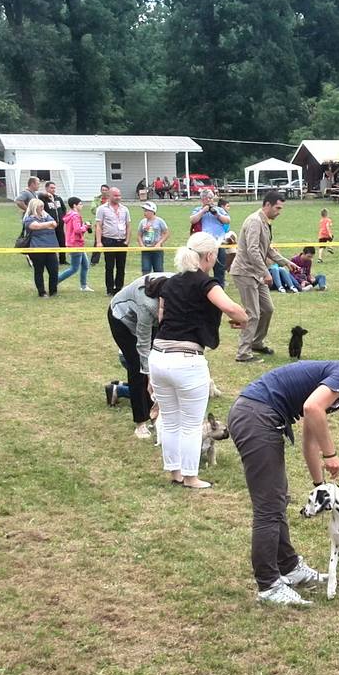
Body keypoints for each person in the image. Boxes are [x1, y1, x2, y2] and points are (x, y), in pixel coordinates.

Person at [231, 353, 339, 605]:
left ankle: (289, 567)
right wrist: (331, 455)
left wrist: (319, 484)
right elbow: (312, 408)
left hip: (257, 416)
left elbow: (309, 437)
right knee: (269, 507)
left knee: (277, 500)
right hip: (256, 417)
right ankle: (269, 586)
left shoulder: (337, 386)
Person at [148, 233, 248, 489]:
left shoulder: (170, 282)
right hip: (187, 360)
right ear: (210, 256)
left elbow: (162, 317)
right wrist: (243, 319)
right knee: (191, 425)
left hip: (158, 356)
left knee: (170, 420)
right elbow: (232, 309)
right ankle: (191, 477)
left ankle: (175, 473)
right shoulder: (206, 283)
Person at [229, 189, 292, 363]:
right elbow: (253, 250)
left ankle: (256, 343)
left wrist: (285, 262)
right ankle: (243, 353)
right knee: (253, 313)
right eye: (277, 208)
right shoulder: (254, 221)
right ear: (267, 205)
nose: (279, 212)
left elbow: (267, 248)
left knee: (267, 309)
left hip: (256, 273)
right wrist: (265, 272)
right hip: (245, 272)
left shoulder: (265, 222)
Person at [108, 272, 168, 440]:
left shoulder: (178, 285)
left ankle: (154, 412)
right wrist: (149, 374)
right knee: (137, 368)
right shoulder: (147, 305)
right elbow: (143, 345)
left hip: (148, 319)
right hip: (122, 319)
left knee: (158, 362)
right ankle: (140, 423)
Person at [189, 189, 230, 286]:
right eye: (206, 198)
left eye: (211, 198)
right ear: (202, 199)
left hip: (218, 242)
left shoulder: (219, 210)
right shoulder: (197, 210)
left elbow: (227, 220)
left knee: (220, 268)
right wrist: (203, 211)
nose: (209, 200)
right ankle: (202, 287)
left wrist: (217, 215)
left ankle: (219, 288)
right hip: (203, 243)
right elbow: (192, 220)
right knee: (202, 268)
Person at [22, 198, 60, 297]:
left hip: (50, 247)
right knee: (39, 271)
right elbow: (36, 226)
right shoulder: (29, 219)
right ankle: (42, 292)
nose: (43, 208)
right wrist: (48, 224)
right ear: (35, 208)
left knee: (54, 270)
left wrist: (45, 224)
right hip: (37, 248)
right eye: (41, 206)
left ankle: (53, 291)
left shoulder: (46, 216)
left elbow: (54, 224)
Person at [96, 187, 131, 294]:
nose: (118, 197)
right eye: (115, 195)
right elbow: (98, 226)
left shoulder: (124, 209)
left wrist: (127, 240)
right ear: (109, 196)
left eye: (119, 195)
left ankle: (119, 288)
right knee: (109, 266)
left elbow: (128, 225)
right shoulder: (102, 209)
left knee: (121, 266)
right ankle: (110, 289)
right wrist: (99, 242)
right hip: (108, 240)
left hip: (122, 241)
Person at [56, 197, 93, 292]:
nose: (82, 205)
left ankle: (83, 286)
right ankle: (54, 281)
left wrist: (83, 226)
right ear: (74, 205)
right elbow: (77, 230)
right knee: (74, 268)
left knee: (85, 265)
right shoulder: (75, 216)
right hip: (75, 244)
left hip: (75, 243)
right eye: (80, 204)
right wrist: (86, 227)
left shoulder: (70, 214)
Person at [138, 202, 170, 274]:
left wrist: (159, 243)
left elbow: (166, 233)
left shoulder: (160, 221)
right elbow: (139, 235)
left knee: (158, 270)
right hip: (146, 249)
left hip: (157, 250)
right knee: (145, 269)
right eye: (144, 211)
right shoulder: (142, 222)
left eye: (147, 211)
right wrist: (142, 245)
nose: (145, 213)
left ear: (152, 211)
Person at [43, 181, 67, 250]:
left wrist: (62, 219)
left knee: (62, 242)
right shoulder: (43, 199)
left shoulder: (58, 198)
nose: (53, 190)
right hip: (49, 225)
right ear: (46, 188)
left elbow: (64, 209)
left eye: (54, 188)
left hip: (60, 225)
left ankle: (62, 257)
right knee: (50, 243)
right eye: (51, 188)